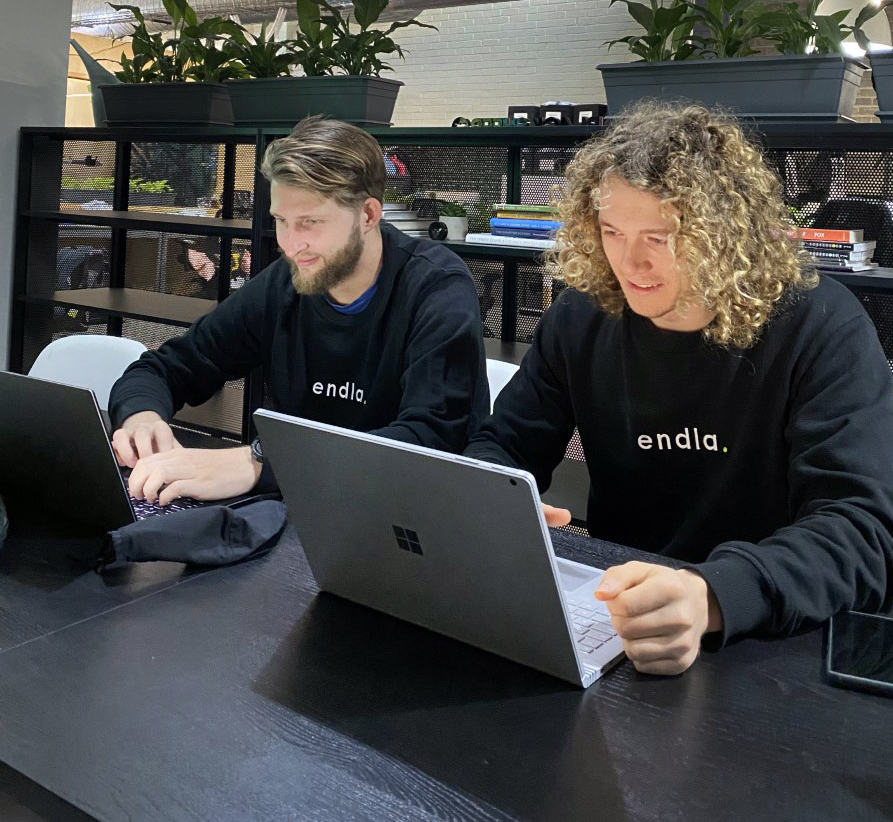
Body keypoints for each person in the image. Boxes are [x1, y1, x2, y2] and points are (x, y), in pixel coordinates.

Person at [466, 102, 893, 676]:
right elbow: (506, 441)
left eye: (661, 237)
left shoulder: (821, 327)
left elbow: (861, 532)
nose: (631, 262)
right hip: (615, 611)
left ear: (725, 232)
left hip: (765, 637)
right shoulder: (580, 317)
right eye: (612, 232)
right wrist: (495, 500)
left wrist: (714, 595)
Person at [110, 116, 489, 503]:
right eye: (281, 221)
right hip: (301, 507)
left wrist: (258, 464)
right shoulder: (285, 281)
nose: (291, 245)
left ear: (369, 216)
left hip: (408, 517)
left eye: (311, 222)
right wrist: (142, 418)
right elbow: (167, 367)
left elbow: (427, 442)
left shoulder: (436, 287)